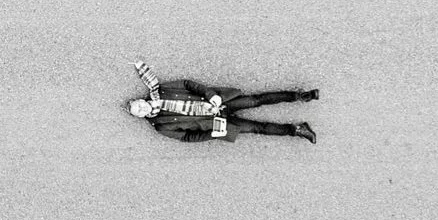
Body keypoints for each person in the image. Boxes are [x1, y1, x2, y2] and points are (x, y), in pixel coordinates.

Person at [127, 62, 318, 144]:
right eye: (139, 112)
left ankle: (300, 97)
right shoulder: (161, 126)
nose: (143, 108)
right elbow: (187, 138)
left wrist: (211, 95)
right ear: (142, 116)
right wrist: (213, 134)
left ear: (140, 100)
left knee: (255, 100)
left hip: (219, 104)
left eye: (139, 104)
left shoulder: (161, 90)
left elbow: (188, 84)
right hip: (218, 125)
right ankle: (298, 130)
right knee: (258, 128)